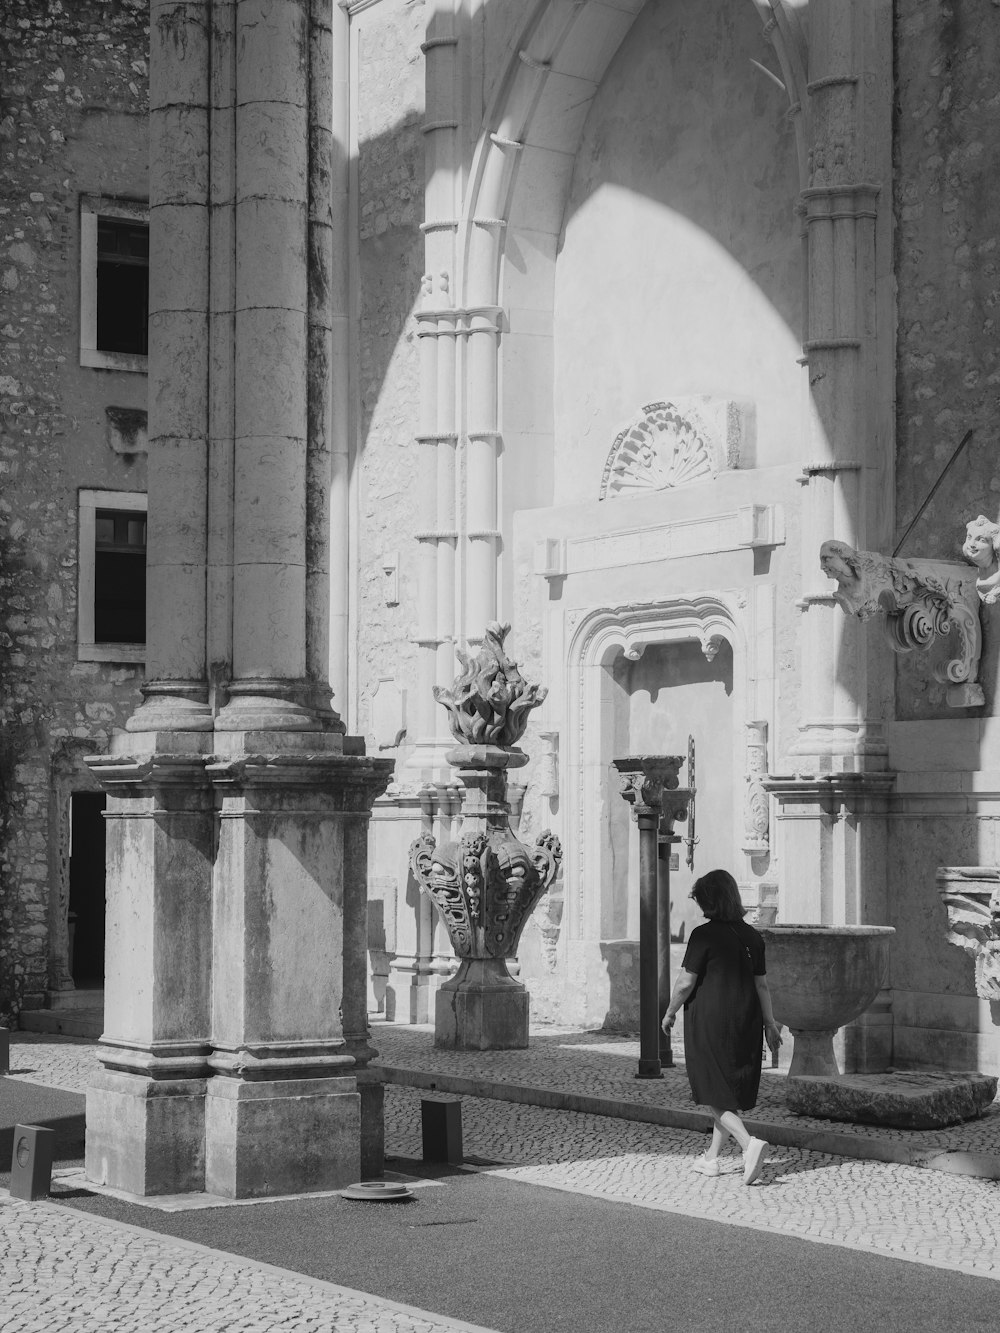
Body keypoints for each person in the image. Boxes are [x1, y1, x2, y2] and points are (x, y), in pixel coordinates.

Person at [660, 869, 782, 1185]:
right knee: (724, 1091)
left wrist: (670, 1011)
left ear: (711, 901)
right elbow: (763, 986)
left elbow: (686, 982)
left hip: (710, 1021)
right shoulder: (753, 937)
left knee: (710, 1087)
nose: (700, 908)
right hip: (747, 1020)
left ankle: (748, 1144)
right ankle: (712, 1159)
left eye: (701, 901)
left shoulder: (704, 935)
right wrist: (770, 1025)